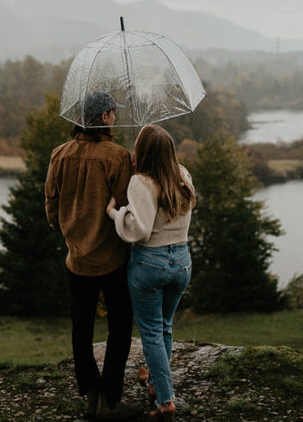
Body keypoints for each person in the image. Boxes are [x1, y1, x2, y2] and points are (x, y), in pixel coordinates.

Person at [45, 90, 139, 420]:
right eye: (113, 113)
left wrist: (73, 234)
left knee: (81, 327)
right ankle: (110, 400)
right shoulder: (118, 157)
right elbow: (126, 208)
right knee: (120, 325)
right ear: (103, 118)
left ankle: (91, 392)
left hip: (77, 261)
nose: (115, 117)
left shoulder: (59, 154)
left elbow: (51, 208)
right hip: (112, 260)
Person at [106, 124, 196, 422]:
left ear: (142, 152)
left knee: (152, 334)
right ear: (169, 149)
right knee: (165, 327)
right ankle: (157, 384)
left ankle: (166, 400)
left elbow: (139, 229)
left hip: (150, 264)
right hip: (182, 261)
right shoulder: (183, 175)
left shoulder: (140, 182)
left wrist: (115, 213)